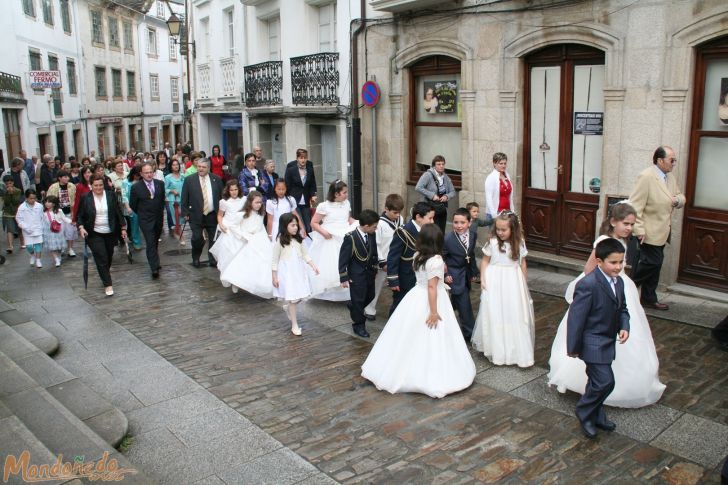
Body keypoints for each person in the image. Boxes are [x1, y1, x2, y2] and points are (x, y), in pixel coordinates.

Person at [548, 202, 665, 408]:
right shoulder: (604, 241)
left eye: (632, 224)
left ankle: (624, 381)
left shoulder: (623, 241)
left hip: (620, 287)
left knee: (628, 330)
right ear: (613, 222)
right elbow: (588, 270)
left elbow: (620, 267)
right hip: (601, 292)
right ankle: (592, 381)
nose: (629, 228)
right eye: (625, 223)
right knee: (597, 330)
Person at [361, 224, 476, 398]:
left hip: (415, 295)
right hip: (432, 298)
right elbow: (432, 287)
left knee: (408, 334)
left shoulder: (417, 255)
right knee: (434, 334)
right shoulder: (435, 260)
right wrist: (434, 311)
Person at [567, 238, 630, 439]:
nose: (618, 267)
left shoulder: (618, 282)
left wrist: (624, 326)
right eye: (613, 262)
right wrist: (574, 347)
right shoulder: (588, 284)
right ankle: (584, 411)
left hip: (607, 341)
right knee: (606, 382)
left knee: (595, 381)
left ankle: (597, 415)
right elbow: (576, 319)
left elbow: (623, 309)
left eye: (621, 262)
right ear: (599, 261)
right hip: (591, 342)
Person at [472, 211, 535, 367]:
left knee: (513, 312)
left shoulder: (519, 243)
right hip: (494, 279)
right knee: (495, 312)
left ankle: (515, 349)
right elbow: (485, 261)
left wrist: (523, 282)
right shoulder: (493, 243)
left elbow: (522, 263)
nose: (500, 232)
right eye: (498, 229)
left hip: (512, 280)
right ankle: (496, 349)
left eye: (503, 230)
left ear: (512, 229)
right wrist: (484, 279)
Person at [629, 146, 685, 311]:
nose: (674, 163)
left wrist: (678, 200)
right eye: (671, 160)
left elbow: (679, 195)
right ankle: (625, 289)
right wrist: (638, 229)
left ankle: (648, 298)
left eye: (675, 160)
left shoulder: (670, 177)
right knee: (652, 263)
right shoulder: (646, 177)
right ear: (660, 160)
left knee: (656, 266)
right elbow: (635, 205)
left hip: (663, 230)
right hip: (649, 231)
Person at [76, 176, 128, 296]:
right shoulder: (85, 198)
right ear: (91, 186)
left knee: (108, 255)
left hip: (110, 231)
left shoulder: (111, 195)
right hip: (93, 232)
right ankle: (108, 284)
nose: (98, 187)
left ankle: (105, 271)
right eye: (96, 185)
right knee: (101, 257)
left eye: (100, 185)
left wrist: (123, 227)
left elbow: (117, 212)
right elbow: (80, 215)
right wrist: (81, 227)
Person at [308, 180, 358, 301]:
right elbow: (313, 223)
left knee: (346, 263)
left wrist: (357, 224)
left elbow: (348, 218)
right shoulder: (324, 206)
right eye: (344, 192)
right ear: (336, 194)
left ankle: (345, 292)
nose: (347, 194)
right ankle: (329, 291)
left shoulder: (346, 203)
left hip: (344, 235)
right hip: (330, 237)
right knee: (331, 266)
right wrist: (324, 232)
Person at [272, 212, 320, 336]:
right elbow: (274, 260)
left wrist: (313, 265)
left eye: (296, 225)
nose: (295, 228)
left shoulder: (299, 239)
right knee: (292, 299)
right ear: (284, 226)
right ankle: (294, 324)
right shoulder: (280, 241)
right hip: (287, 272)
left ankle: (288, 307)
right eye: (292, 225)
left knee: (302, 295)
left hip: (299, 270)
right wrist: (274, 276)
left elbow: (305, 254)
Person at [220, 192, 274, 298]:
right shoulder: (242, 214)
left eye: (260, 202)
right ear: (250, 202)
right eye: (256, 202)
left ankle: (263, 285)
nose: (259, 204)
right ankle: (236, 281)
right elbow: (233, 226)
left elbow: (260, 226)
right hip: (248, 240)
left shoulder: (261, 213)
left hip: (260, 239)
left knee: (262, 263)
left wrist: (267, 237)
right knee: (244, 263)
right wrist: (244, 235)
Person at [386, 201, 435, 315]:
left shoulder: (427, 230)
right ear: (418, 217)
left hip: (421, 276)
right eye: (430, 218)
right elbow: (393, 257)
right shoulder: (403, 232)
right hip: (406, 278)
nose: (433, 221)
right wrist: (393, 280)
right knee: (400, 305)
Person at [364, 194, 404, 321]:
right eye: (395, 212)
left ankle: (399, 308)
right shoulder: (380, 224)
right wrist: (382, 262)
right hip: (384, 261)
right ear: (386, 208)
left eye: (399, 212)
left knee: (398, 285)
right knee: (378, 284)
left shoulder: (400, 219)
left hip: (397, 259)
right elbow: (376, 244)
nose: (397, 215)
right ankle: (369, 308)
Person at [339, 210, 379, 338]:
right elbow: (343, 258)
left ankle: (354, 305)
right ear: (366, 226)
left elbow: (373, 252)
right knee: (359, 300)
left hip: (369, 273)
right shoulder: (350, 237)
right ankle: (359, 325)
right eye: (374, 226)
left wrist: (376, 265)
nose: (376, 228)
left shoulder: (371, 234)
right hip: (356, 275)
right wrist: (344, 276)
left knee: (370, 295)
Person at [443, 208, 479, 343]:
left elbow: (471, 255)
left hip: (465, 274)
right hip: (454, 274)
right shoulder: (447, 238)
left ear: (469, 223)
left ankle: (446, 327)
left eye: (462, 222)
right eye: (456, 222)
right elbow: (441, 257)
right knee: (464, 304)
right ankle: (469, 333)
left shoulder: (473, 235)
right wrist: (445, 273)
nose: (459, 225)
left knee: (452, 304)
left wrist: (474, 271)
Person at [180, 158, 224, 267]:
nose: (200, 169)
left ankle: (212, 259)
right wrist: (185, 213)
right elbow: (184, 197)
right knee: (197, 238)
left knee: (213, 239)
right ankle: (196, 257)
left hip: (212, 215)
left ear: (208, 168)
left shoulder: (217, 179)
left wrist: (223, 213)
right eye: (199, 166)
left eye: (203, 167)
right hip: (195, 215)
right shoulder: (189, 180)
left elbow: (222, 197)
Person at [130, 163, 166, 278]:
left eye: (151, 172)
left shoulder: (160, 184)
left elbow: (161, 200)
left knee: (155, 241)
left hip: (158, 218)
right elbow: (133, 205)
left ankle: (155, 260)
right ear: (141, 174)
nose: (149, 174)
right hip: (145, 219)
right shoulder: (136, 187)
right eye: (146, 172)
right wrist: (143, 214)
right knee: (150, 242)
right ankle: (154, 267)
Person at [208, 180, 246, 273]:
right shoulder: (224, 202)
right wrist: (221, 224)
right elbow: (220, 215)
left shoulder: (244, 199)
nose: (234, 192)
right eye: (231, 190)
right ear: (228, 191)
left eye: (236, 189)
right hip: (229, 229)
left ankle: (239, 270)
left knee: (241, 250)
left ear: (239, 189)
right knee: (229, 251)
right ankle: (229, 271)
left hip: (240, 228)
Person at [415, 155, 455, 233]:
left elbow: (453, 191)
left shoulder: (445, 177)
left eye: (443, 164)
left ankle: (440, 244)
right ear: (434, 165)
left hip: (442, 208)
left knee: (441, 231)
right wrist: (432, 195)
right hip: (430, 208)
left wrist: (446, 196)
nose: (441, 166)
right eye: (439, 164)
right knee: (432, 230)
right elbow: (418, 187)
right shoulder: (428, 175)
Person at [284, 148, 317, 234]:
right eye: (301, 158)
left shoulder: (310, 167)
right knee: (299, 224)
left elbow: (312, 182)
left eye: (305, 158)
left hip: (306, 200)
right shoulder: (291, 168)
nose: (303, 160)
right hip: (294, 199)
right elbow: (287, 185)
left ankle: (309, 244)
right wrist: (288, 199)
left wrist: (313, 194)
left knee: (308, 225)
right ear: (297, 158)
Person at [46, 170, 78, 257]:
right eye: (64, 177)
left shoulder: (72, 186)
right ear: (59, 178)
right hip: (58, 213)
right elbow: (49, 198)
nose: (67, 178)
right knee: (60, 231)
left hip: (69, 211)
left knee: (70, 231)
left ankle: (70, 248)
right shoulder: (53, 187)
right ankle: (61, 247)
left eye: (67, 176)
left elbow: (75, 198)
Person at [15, 189, 44, 268]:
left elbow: (42, 217)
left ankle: (38, 260)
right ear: (26, 198)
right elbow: (18, 218)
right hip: (27, 230)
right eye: (31, 198)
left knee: (38, 245)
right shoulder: (22, 207)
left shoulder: (39, 206)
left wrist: (41, 226)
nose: (33, 200)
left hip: (37, 228)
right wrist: (25, 227)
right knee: (29, 246)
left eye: (34, 198)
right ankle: (32, 255)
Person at [41, 195, 70, 267]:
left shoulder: (59, 211)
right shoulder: (44, 213)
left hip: (58, 231)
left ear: (54, 204)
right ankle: (56, 259)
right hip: (49, 232)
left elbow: (64, 218)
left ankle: (59, 255)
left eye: (49, 202)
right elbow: (42, 222)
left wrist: (72, 222)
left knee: (59, 247)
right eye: (46, 202)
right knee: (52, 247)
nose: (47, 203)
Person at [484, 152, 514, 219]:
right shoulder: (491, 177)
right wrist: (494, 215)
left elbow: (510, 197)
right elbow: (489, 198)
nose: (503, 166)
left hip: (507, 212)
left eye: (505, 163)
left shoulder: (507, 175)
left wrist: (512, 211)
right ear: (494, 163)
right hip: (496, 213)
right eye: (501, 163)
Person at [121, 167, 142, 250]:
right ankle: (136, 242)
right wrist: (128, 207)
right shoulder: (126, 182)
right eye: (137, 175)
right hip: (132, 207)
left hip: (143, 206)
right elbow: (124, 196)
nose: (138, 177)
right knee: (134, 225)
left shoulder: (142, 181)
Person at [164, 159, 185, 235]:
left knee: (182, 219)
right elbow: (165, 189)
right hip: (173, 201)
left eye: (177, 164)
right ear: (171, 166)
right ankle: (181, 237)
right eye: (173, 165)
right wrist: (172, 191)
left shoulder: (183, 176)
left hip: (183, 200)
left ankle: (178, 233)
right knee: (177, 219)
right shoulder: (168, 177)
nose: (176, 166)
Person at [2, 175, 21, 254]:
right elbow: (6, 203)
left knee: (19, 229)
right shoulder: (4, 191)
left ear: (13, 183)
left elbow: (15, 202)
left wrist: (12, 193)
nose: (9, 185)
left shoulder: (18, 191)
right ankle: (10, 246)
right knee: (10, 229)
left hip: (16, 212)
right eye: (7, 184)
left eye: (10, 183)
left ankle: (22, 242)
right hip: (7, 212)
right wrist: (8, 194)